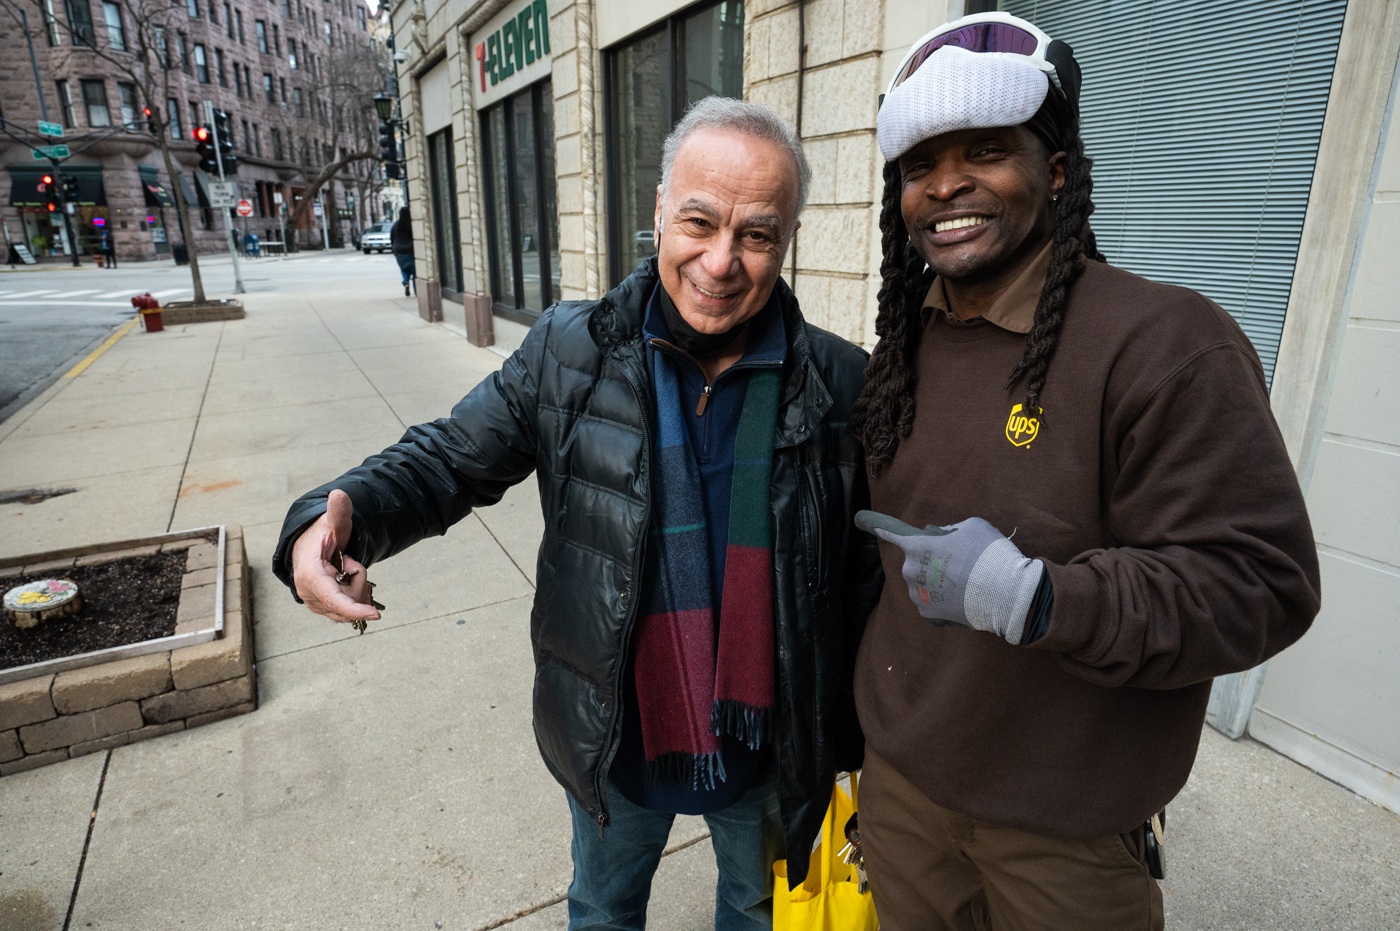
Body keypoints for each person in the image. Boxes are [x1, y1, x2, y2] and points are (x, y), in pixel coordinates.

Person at [273, 97, 881, 930]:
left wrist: (858, 741)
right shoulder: (569, 351)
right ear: (661, 209)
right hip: (614, 732)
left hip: (770, 748)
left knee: (758, 909)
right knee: (601, 907)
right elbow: (450, 456)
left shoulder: (841, 383)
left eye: (757, 235)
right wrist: (336, 515)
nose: (721, 260)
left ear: (787, 242)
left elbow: (863, 584)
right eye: (699, 221)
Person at [846, 13, 1321, 931]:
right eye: (919, 166)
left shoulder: (1166, 344)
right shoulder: (902, 352)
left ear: (1056, 171)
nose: (947, 184)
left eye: (986, 150)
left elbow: (1264, 583)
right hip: (903, 798)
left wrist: (1044, 601)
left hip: (1064, 833)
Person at [390, 206, 415, 296]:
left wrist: (394, 249)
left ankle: (406, 282)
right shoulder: (412, 224)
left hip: (399, 251)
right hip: (411, 250)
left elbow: (392, 238)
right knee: (415, 271)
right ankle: (417, 292)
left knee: (404, 269)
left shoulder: (396, 225)